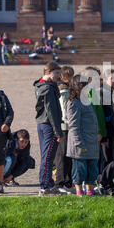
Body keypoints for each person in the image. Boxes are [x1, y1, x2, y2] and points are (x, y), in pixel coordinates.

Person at [33, 62, 64, 196]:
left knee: (47, 156)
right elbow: (51, 111)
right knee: (47, 157)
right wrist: (58, 132)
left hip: (41, 124)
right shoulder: (48, 88)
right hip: (48, 125)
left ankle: (50, 184)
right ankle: (44, 186)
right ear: (49, 72)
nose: (59, 76)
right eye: (57, 73)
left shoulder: (40, 85)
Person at [67, 75, 100, 197]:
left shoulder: (86, 101)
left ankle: (90, 191)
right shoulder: (73, 103)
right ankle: (79, 191)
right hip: (81, 143)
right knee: (79, 169)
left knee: (92, 169)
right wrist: (79, 144)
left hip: (91, 141)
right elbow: (74, 126)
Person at [53, 66, 75, 194]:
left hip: (67, 126)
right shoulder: (63, 90)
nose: (70, 78)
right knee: (62, 155)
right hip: (64, 127)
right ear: (62, 77)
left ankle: (67, 182)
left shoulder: (67, 89)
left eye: (71, 75)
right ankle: (59, 183)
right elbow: (64, 111)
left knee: (68, 155)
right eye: (68, 76)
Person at [97, 68, 114, 196]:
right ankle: (103, 183)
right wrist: (102, 134)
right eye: (112, 79)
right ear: (105, 80)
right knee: (106, 160)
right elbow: (101, 114)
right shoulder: (101, 93)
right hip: (106, 133)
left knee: (112, 159)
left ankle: (109, 183)